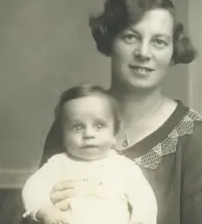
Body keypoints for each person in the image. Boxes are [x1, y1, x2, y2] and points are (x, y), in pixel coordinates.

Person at [27, 0, 202, 224]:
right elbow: (35, 205)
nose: (144, 52)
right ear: (110, 41)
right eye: (131, 37)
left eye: (159, 41)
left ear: (173, 53)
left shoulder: (193, 137)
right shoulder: (73, 121)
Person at [22, 83, 157, 224]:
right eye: (77, 127)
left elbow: (145, 200)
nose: (88, 134)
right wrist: (45, 211)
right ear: (64, 136)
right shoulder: (58, 164)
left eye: (99, 126)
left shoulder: (125, 167)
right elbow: (33, 188)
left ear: (115, 133)